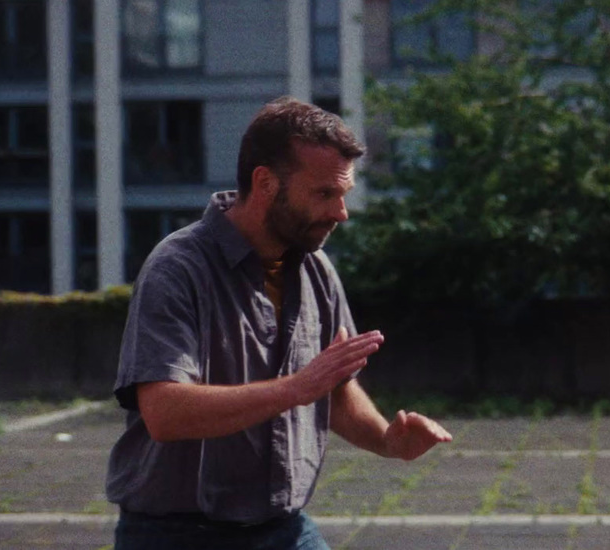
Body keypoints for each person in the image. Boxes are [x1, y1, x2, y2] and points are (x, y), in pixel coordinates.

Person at [106, 97, 453, 549]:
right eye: (324, 193)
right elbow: (164, 413)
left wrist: (388, 441)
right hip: (176, 534)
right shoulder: (177, 268)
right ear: (265, 183)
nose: (340, 213)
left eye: (342, 195)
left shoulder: (317, 269)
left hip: (284, 529)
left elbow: (336, 395)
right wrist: (295, 388)